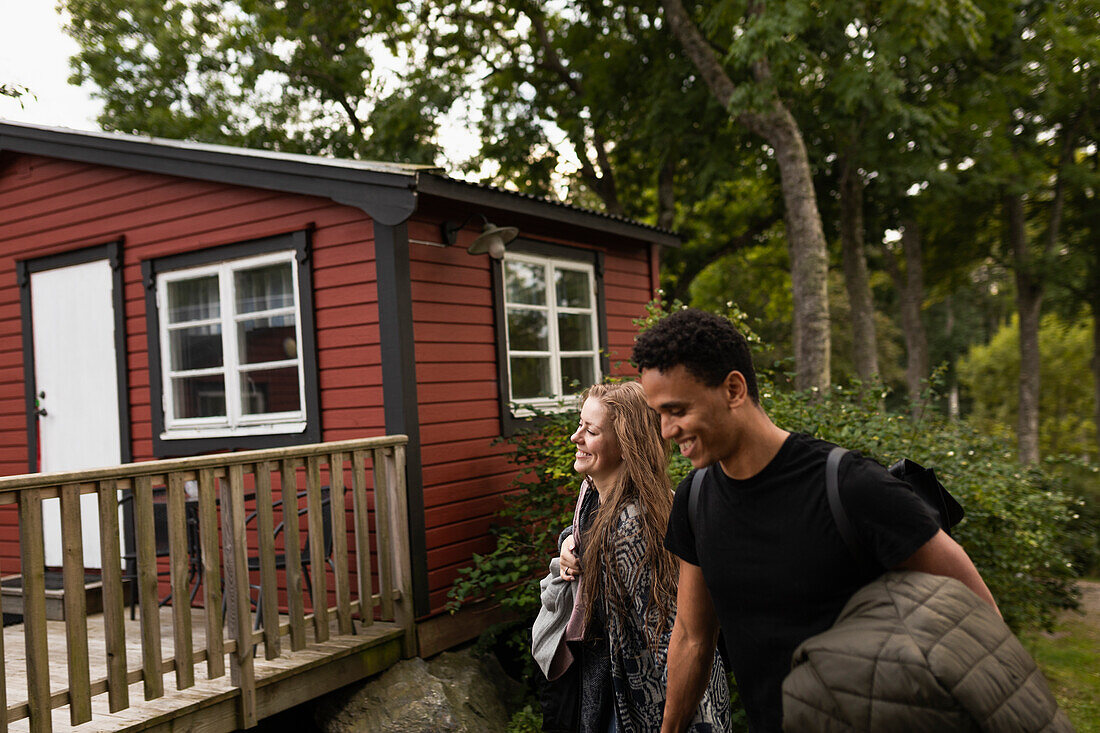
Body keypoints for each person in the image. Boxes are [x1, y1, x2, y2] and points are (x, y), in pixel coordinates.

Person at [632, 309, 999, 733]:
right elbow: (692, 637)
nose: (665, 430)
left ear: (733, 389)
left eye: (676, 410)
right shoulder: (695, 500)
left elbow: (979, 615)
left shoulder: (851, 487)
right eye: (658, 413)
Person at [547, 381, 730, 732]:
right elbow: (589, 534)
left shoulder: (635, 526)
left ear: (626, 445)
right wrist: (570, 542)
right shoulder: (592, 494)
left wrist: (686, 725)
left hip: (640, 704)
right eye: (580, 424)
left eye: (591, 430)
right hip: (602, 686)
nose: (575, 437)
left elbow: (674, 637)